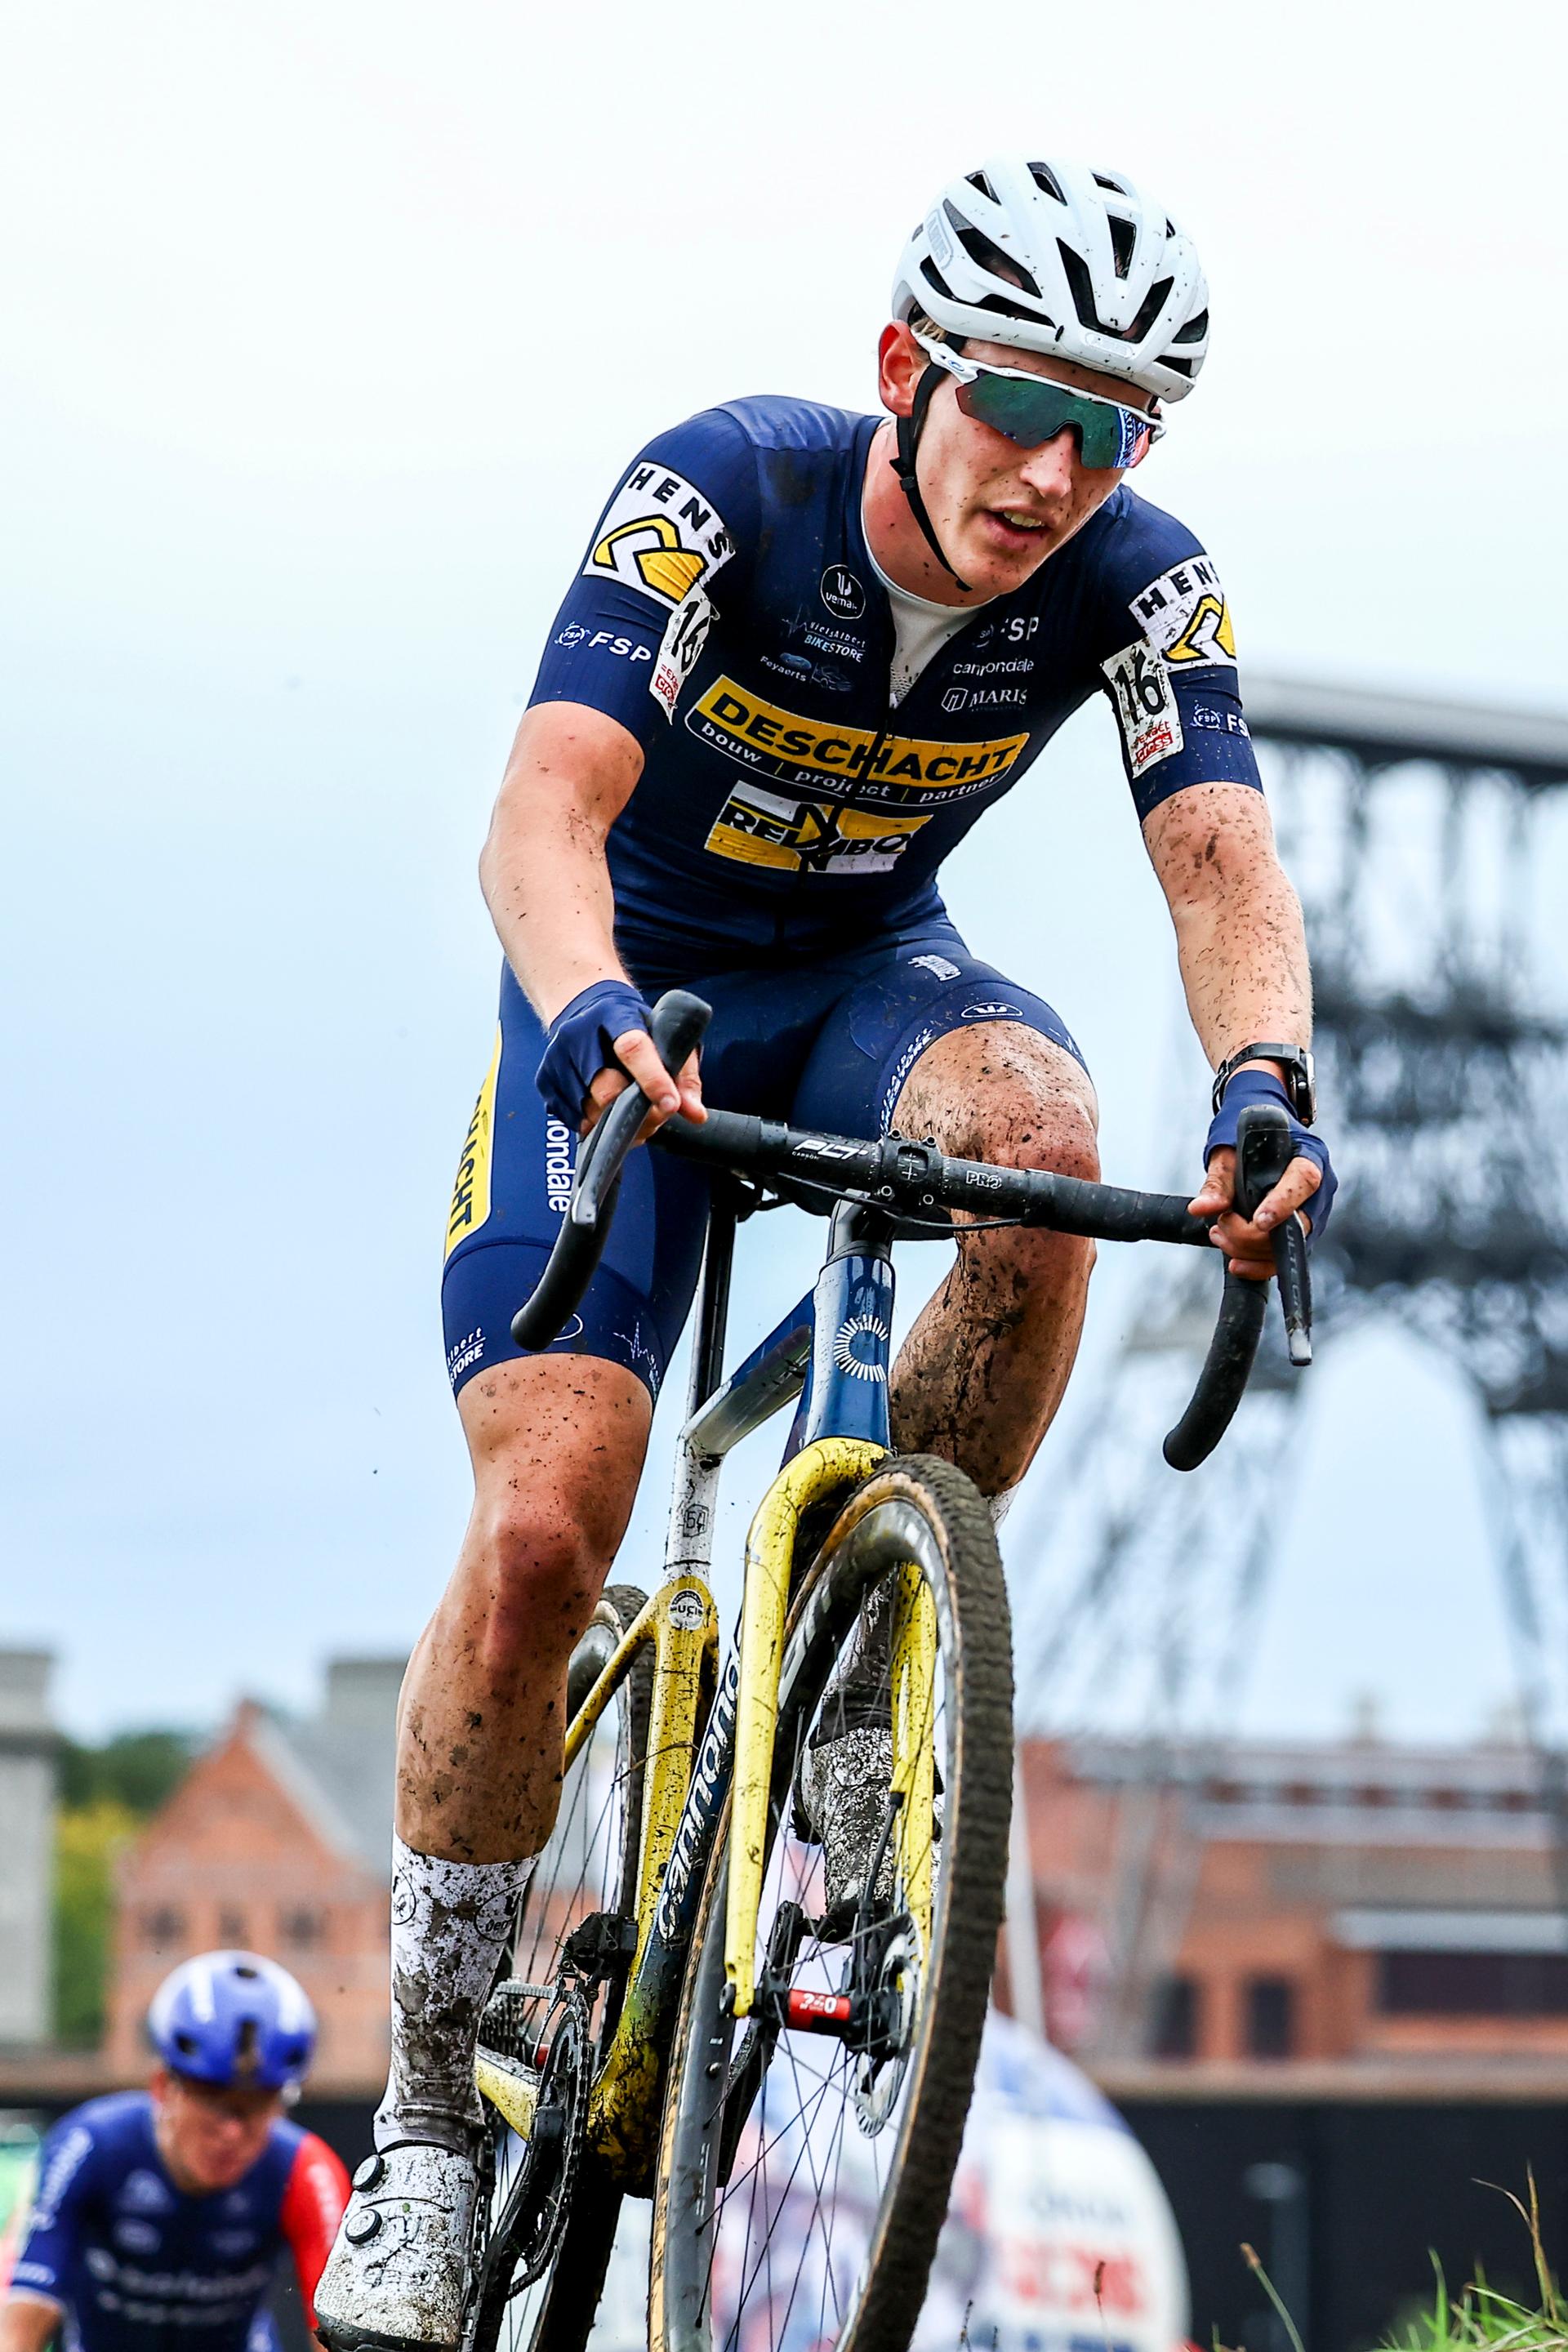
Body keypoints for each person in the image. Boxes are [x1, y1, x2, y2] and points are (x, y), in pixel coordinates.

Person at [315, 151, 1337, 2350]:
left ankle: (870, 1707)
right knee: (539, 1536)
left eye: (1118, 430)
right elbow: (544, 811)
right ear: (904, 370)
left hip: (873, 972)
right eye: (1018, 408)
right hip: (630, 993)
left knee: (1044, 1140)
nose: (1061, 471)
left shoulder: (1142, 586)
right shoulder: (721, 497)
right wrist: (585, 1012)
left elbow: (1224, 865)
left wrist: (1266, 1084)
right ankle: (420, 2111)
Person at [2, 1953, 349, 2352]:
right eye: (212, 2098)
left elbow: (336, 2336)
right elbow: (20, 2326)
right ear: (164, 2087)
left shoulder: (306, 2168)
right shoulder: (91, 2144)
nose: (233, 2130)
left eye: (257, 2104)